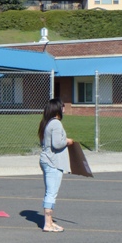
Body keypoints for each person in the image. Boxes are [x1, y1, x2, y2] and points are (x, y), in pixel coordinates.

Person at [38, 98, 74, 233]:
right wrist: (68, 141)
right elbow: (57, 143)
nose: (64, 108)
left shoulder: (46, 123)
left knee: (50, 191)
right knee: (51, 193)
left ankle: (50, 222)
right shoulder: (56, 124)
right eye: (62, 106)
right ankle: (47, 224)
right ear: (57, 109)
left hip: (46, 160)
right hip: (53, 162)